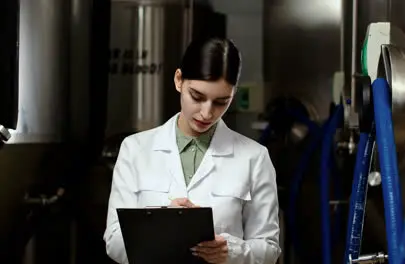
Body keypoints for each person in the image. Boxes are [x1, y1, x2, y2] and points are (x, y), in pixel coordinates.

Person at [103, 37, 281, 264]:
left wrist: (231, 252)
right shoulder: (135, 149)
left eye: (221, 102)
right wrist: (160, 226)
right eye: (197, 97)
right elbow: (114, 240)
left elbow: (269, 248)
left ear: (233, 94)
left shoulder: (254, 158)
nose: (207, 113)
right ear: (179, 80)